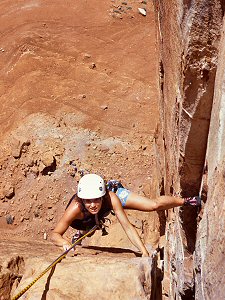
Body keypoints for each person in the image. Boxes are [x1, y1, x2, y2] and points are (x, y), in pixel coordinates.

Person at [51, 174, 201, 257]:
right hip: (82, 222)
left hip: (107, 207)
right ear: (82, 200)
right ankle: (81, 233)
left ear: (102, 196)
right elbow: (56, 234)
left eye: (96, 199)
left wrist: (143, 251)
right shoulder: (75, 208)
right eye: (88, 201)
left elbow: (127, 227)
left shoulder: (111, 198)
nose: (92, 204)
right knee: (88, 228)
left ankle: (186, 201)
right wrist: (65, 244)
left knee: (153, 205)